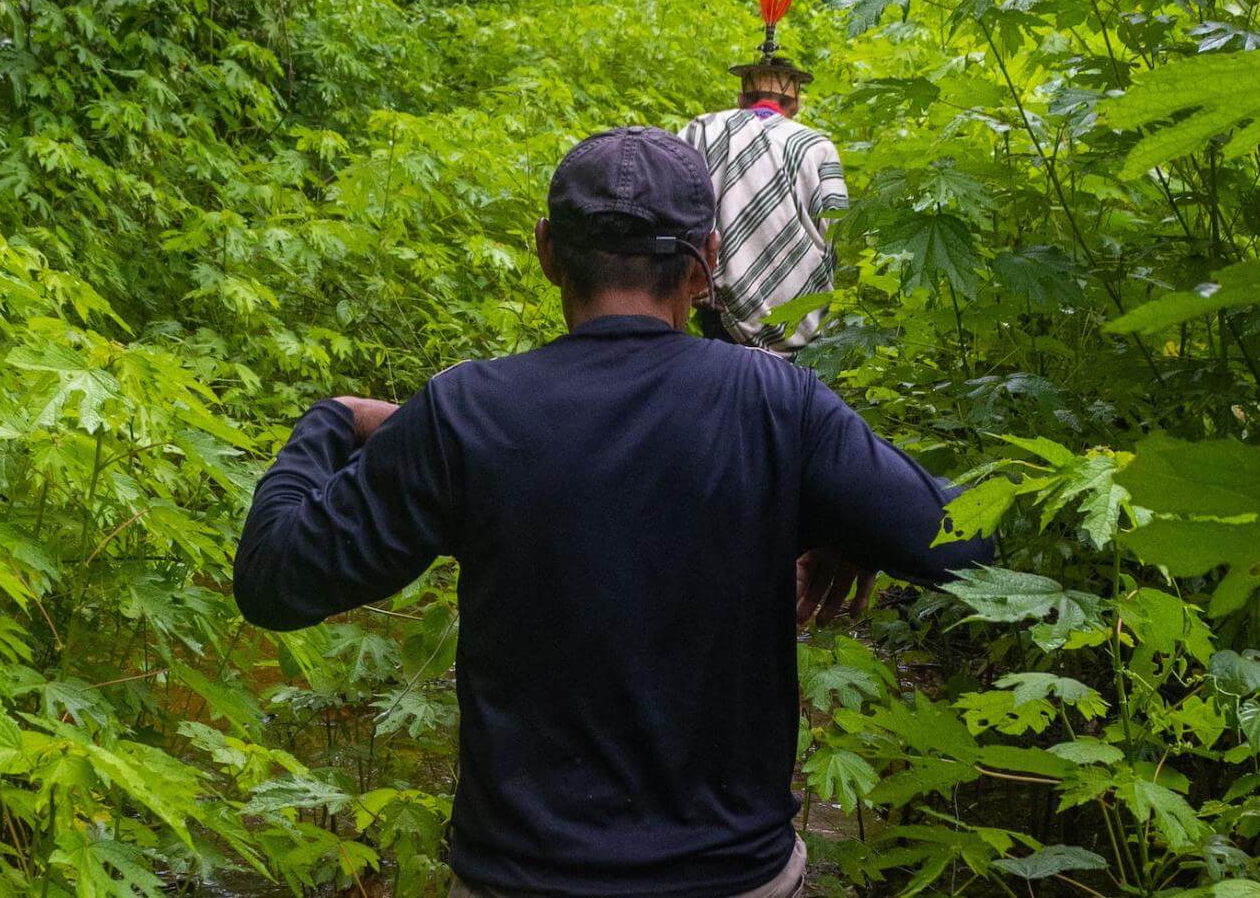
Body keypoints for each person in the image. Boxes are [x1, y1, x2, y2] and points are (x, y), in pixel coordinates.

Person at [233, 126, 994, 898]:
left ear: (546, 251)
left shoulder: (467, 414)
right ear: (709, 259)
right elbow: (965, 547)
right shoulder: (775, 405)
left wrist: (333, 418)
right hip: (731, 878)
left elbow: (275, 578)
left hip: (520, 879)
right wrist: (844, 526)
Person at [681, 0, 845, 355]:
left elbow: (676, 207)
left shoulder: (701, 129)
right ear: (795, 102)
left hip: (716, 307)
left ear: (742, 97)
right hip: (797, 312)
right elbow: (833, 231)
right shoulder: (815, 146)